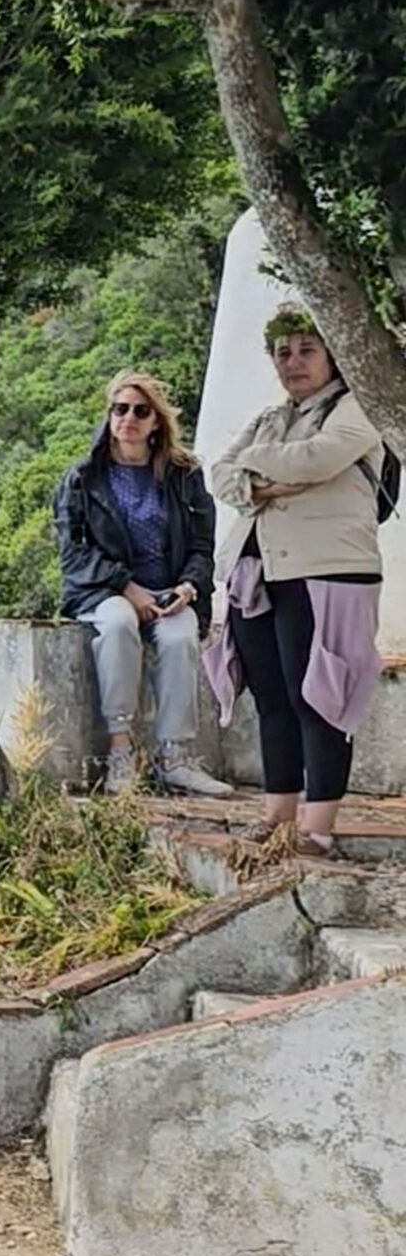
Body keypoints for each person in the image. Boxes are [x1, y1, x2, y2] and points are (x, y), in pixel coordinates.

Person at [204, 303, 386, 857]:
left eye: (307, 350)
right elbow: (220, 473)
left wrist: (256, 466)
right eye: (283, 352)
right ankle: (277, 815)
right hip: (259, 570)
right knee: (272, 697)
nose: (294, 362)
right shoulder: (270, 417)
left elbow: (317, 458)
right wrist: (264, 482)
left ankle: (317, 828)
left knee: (321, 697)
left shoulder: (357, 407)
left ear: (332, 354)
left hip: (327, 569)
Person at [52, 370, 231, 796]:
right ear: (109, 415)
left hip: (169, 591)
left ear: (156, 422)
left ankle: (175, 758)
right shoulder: (83, 477)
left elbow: (202, 546)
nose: (128, 418)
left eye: (140, 411)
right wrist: (125, 587)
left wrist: (187, 588)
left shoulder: (184, 474)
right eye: (120, 409)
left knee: (180, 637)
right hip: (103, 590)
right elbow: (72, 551)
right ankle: (120, 750)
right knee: (118, 625)